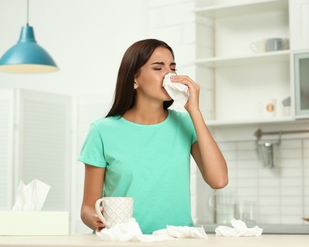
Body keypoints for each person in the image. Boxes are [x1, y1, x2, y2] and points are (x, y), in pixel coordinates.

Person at [77, 38, 228, 234]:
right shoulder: (102, 131)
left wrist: (195, 112)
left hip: (176, 242)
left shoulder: (186, 123)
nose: (170, 76)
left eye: (172, 68)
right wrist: (98, 219)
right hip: (125, 242)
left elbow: (219, 180)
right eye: (158, 68)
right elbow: (88, 208)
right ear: (134, 79)